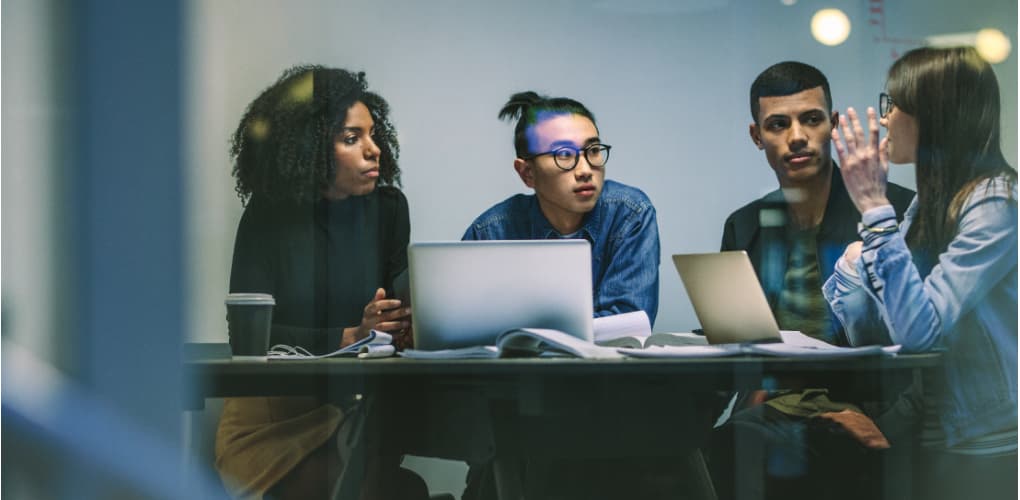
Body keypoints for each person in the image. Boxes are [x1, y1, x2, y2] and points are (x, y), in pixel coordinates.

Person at [214, 65, 427, 500]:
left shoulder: (389, 209)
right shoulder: (267, 215)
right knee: (381, 487)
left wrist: (395, 323)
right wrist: (350, 334)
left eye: (373, 134)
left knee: (400, 486)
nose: (375, 151)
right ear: (310, 148)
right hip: (272, 419)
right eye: (352, 139)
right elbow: (248, 338)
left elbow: (390, 327)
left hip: (355, 407)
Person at [711, 61, 915, 500]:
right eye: (778, 124)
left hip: (868, 410)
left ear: (834, 125)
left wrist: (888, 421)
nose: (797, 136)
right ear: (756, 136)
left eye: (812, 119)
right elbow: (735, 348)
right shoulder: (744, 225)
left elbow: (932, 338)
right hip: (771, 417)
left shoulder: (892, 211)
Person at [826, 46, 1017, 500]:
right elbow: (871, 332)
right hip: (936, 429)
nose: (885, 118)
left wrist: (874, 208)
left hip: (989, 443)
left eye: (895, 105)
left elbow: (916, 332)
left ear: (935, 116)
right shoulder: (929, 202)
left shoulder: (995, 203)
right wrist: (855, 262)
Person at [462, 91, 661, 324]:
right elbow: (464, 321)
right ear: (527, 173)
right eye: (564, 155)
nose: (585, 170)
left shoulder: (629, 215)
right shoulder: (490, 232)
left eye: (594, 150)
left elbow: (629, 322)